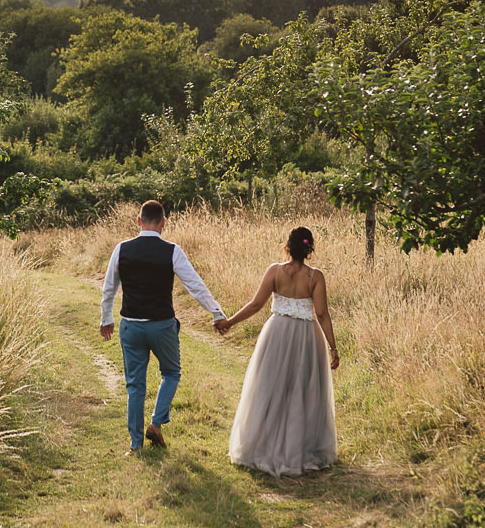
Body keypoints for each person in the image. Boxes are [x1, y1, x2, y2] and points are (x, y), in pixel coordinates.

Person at [98, 200, 228, 455]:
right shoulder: (172, 251)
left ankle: (135, 446)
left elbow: (109, 288)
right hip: (162, 326)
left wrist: (106, 319)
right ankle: (156, 423)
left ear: (138, 221)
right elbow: (195, 286)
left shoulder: (121, 249)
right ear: (163, 223)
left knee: (135, 386)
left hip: (131, 326)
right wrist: (217, 313)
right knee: (171, 373)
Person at [219, 225, 339, 476]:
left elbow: (255, 305)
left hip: (276, 335)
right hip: (307, 339)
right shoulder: (315, 277)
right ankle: (299, 450)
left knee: (269, 388)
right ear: (310, 249)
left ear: (288, 246)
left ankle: (262, 445)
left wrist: (229, 322)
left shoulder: (274, 271)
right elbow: (321, 313)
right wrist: (333, 346)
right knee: (301, 392)